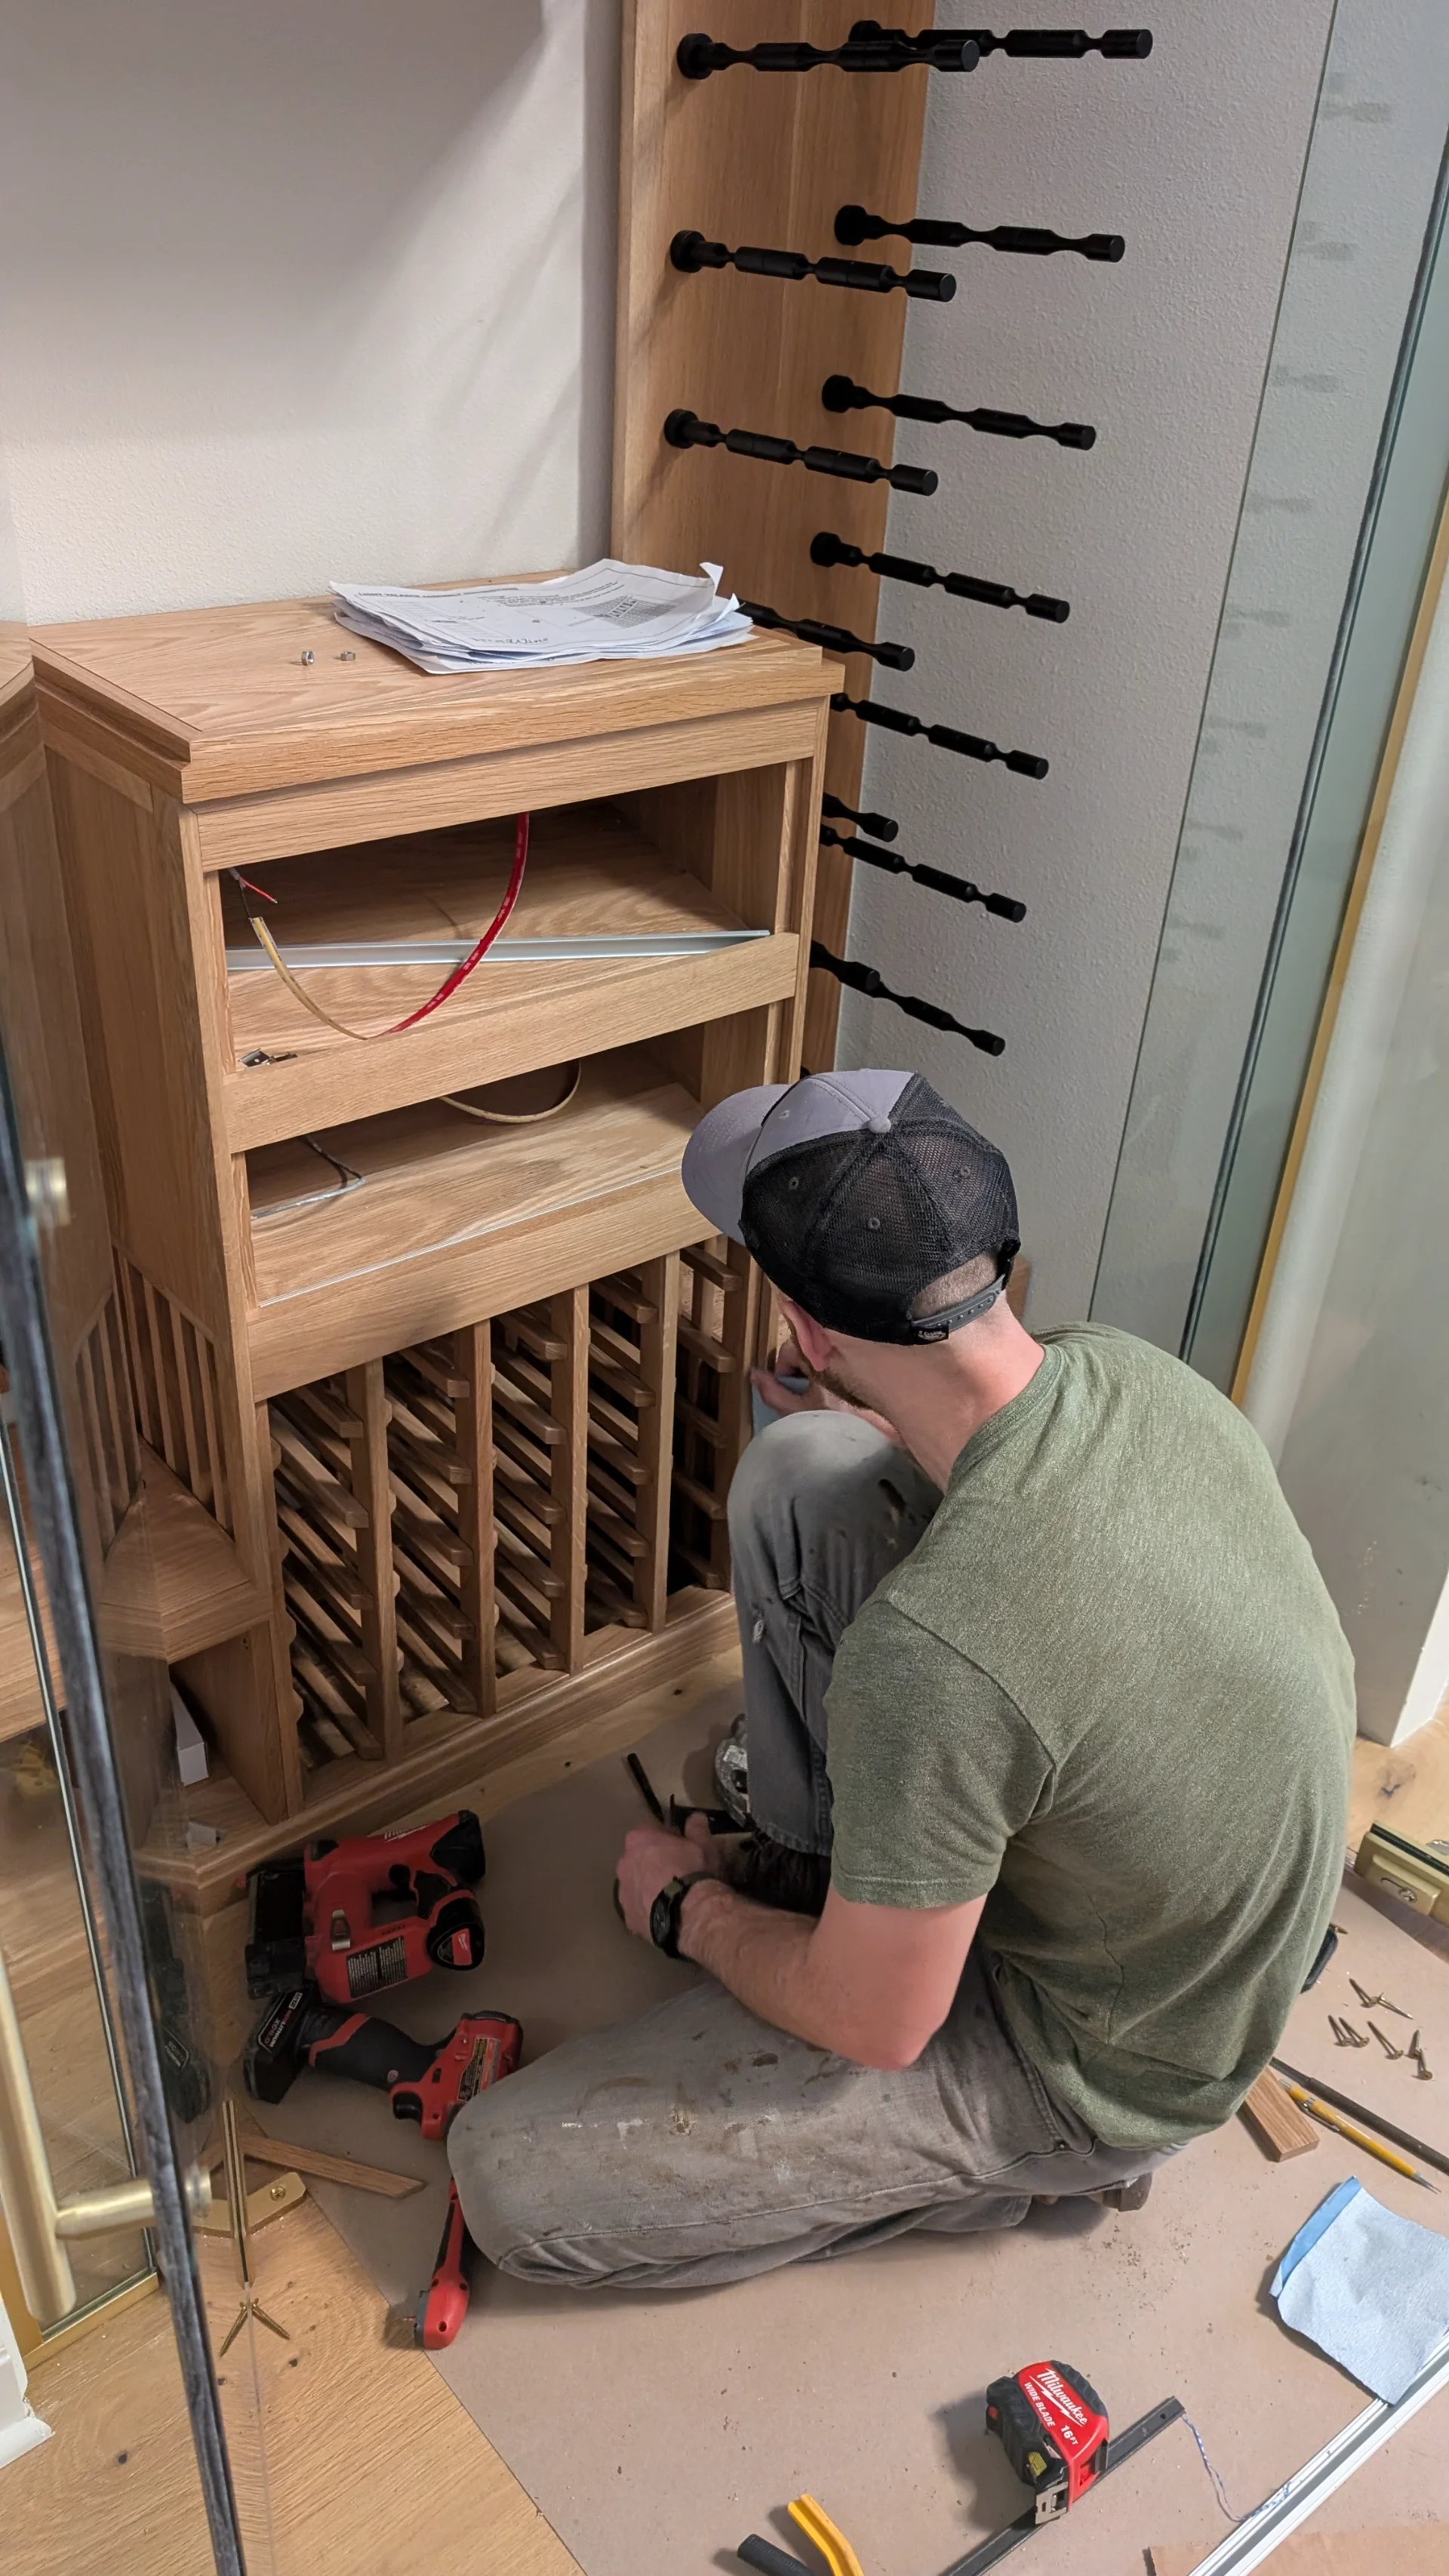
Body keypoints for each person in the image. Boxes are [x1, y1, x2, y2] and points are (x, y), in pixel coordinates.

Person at [449, 1069, 1355, 2290]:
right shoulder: (1130, 1376)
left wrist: (695, 1910)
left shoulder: (932, 1657)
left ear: (811, 1329)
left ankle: (1019, 2167)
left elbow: (882, 2025)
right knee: (805, 1472)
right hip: (1195, 1932)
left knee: (511, 2183)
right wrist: (843, 1393)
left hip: (1105, 2058)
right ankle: (866, 1890)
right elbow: (988, 1528)